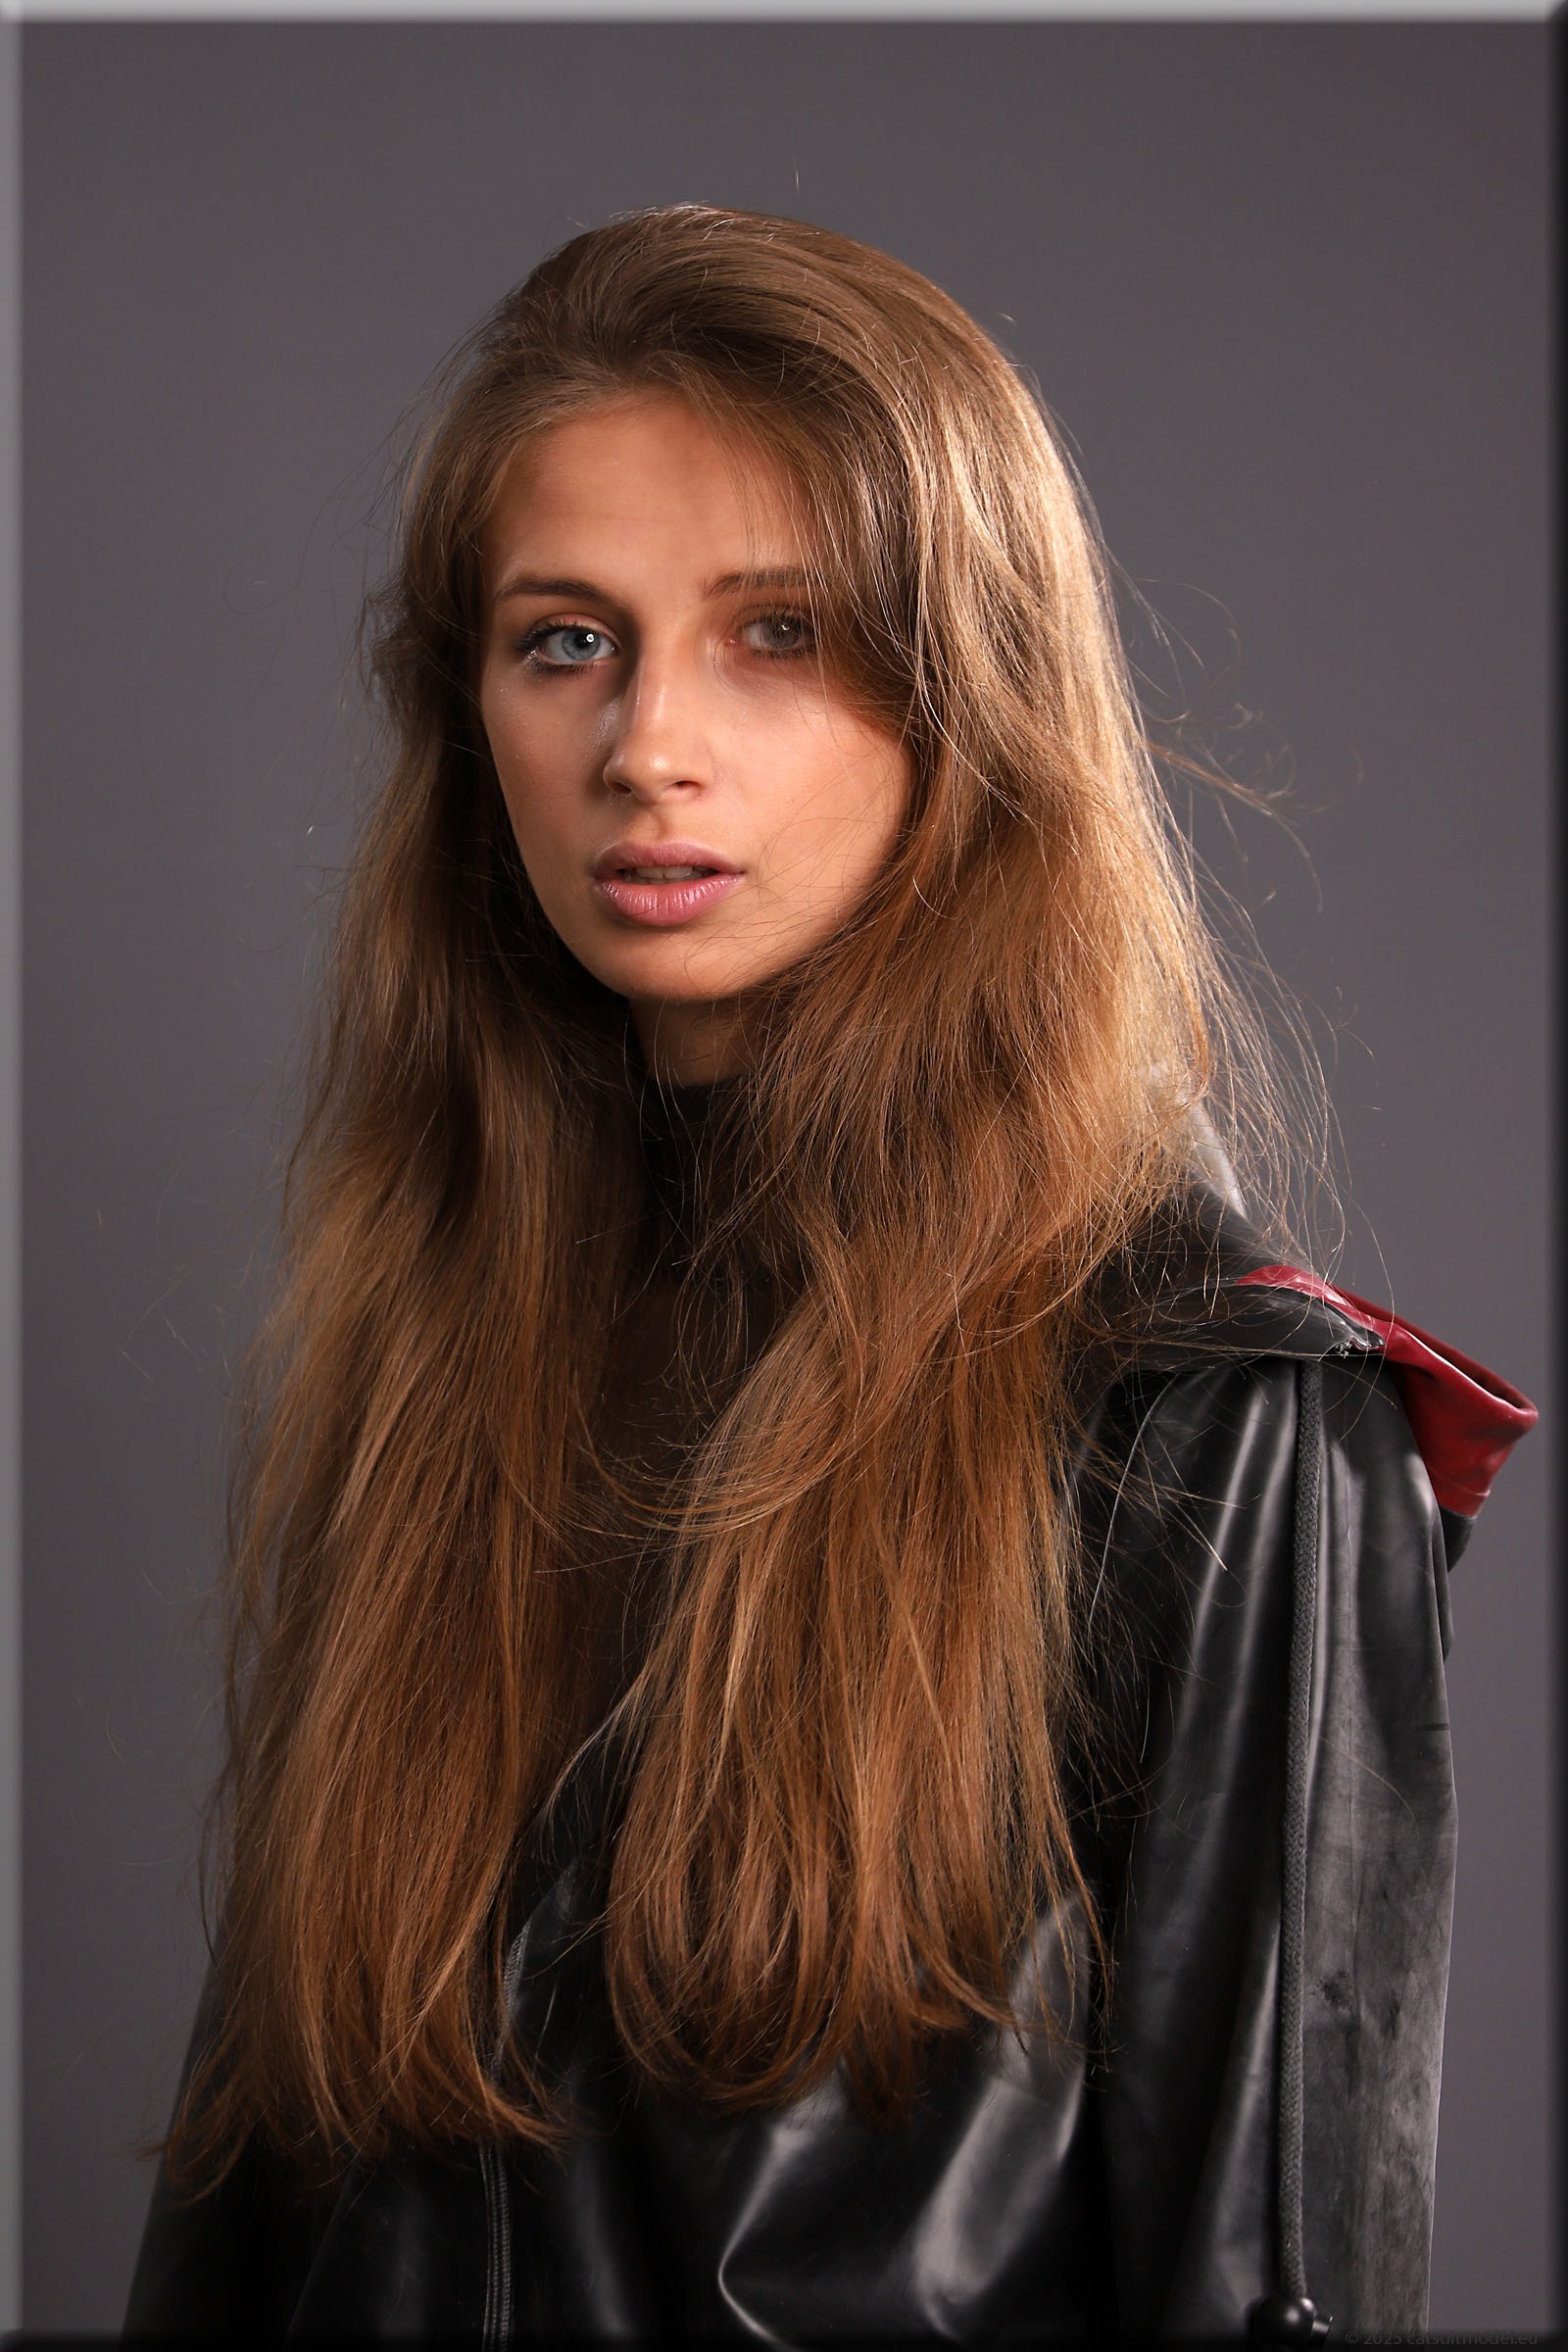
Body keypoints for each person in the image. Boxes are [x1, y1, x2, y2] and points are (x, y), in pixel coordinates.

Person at [122, 206, 1534, 2344]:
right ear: (468, 711)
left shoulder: (1219, 1429)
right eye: (564, 640)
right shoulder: (428, 1365)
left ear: (973, 696)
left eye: (777, 633)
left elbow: (1269, 2282)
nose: (645, 746)